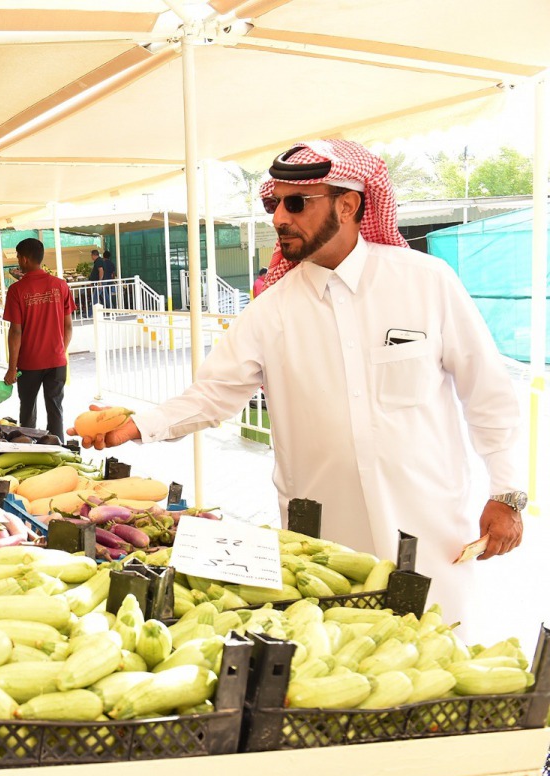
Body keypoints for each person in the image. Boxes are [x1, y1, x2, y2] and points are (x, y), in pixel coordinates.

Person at [69, 139, 524, 628]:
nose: (279, 217)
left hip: (426, 528)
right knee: (338, 669)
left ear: (349, 205)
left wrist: (508, 493)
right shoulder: (272, 310)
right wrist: (137, 426)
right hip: (324, 543)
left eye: (296, 203)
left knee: (437, 658)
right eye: (273, 203)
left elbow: (487, 392)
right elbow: (213, 396)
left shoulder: (427, 282)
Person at [3, 238, 75, 441]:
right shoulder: (60, 286)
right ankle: (57, 452)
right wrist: (60, 350)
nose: (18, 261)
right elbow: (68, 326)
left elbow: (15, 332)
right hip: (57, 361)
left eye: (18, 257)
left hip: (29, 363)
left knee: (27, 410)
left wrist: (11, 368)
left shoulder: (17, 290)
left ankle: (28, 450)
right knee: (55, 410)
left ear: (25, 259)